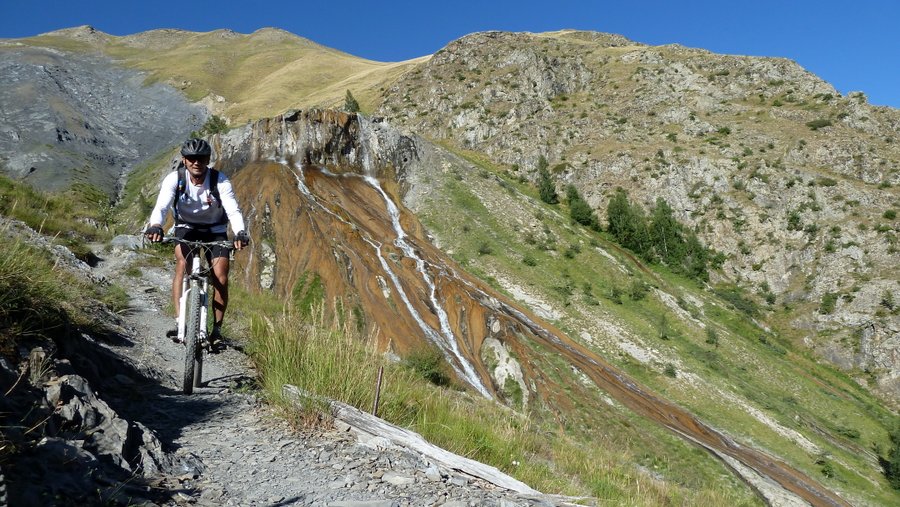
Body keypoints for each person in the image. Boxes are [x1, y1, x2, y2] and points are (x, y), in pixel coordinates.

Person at [144, 138, 249, 343]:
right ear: (184, 160)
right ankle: (179, 322)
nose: (196, 162)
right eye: (191, 158)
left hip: (215, 230)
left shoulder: (220, 181)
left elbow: (233, 210)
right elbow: (161, 207)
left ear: (208, 159)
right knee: (182, 266)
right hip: (186, 228)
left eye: (201, 158)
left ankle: (216, 331)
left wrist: (240, 232)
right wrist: (156, 225)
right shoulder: (175, 179)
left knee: (221, 276)